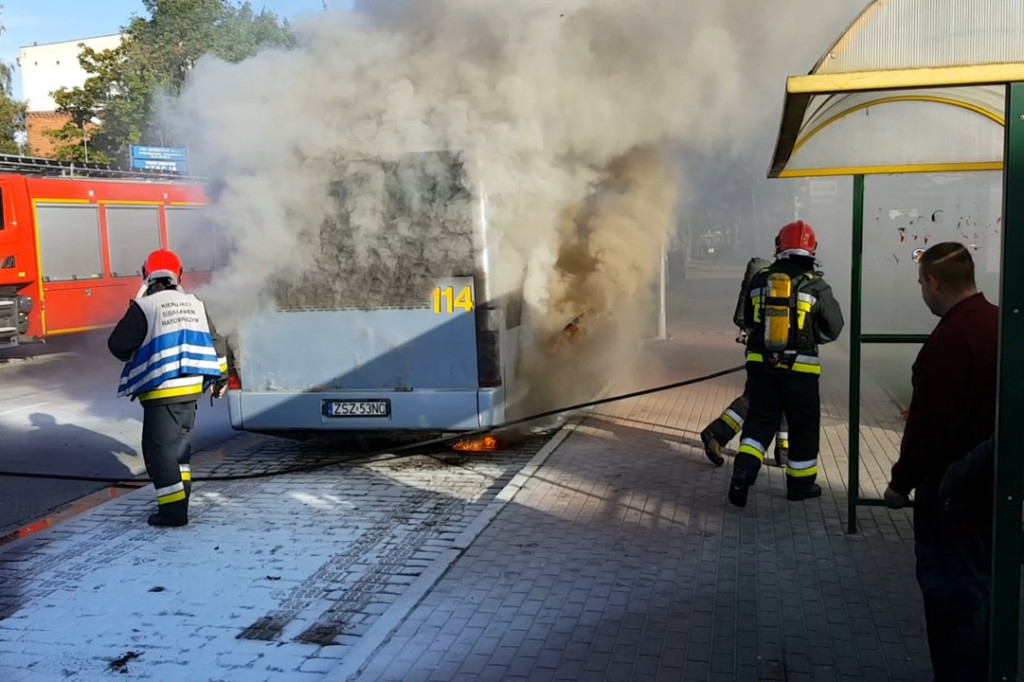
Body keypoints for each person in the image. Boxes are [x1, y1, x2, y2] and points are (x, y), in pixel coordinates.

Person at [882, 242, 998, 681]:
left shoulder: (948, 341)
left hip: (950, 501)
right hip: (994, 493)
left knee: (952, 614)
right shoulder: (999, 323)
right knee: (983, 601)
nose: (922, 293)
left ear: (933, 283)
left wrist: (900, 484)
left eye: (920, 283)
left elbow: (928, 428)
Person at [108, 249, 229, 528]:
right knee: (179, 451)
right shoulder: (194, 303)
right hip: (191, 391)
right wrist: (220, 380)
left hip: (161, 392)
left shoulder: (145, 307)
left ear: (146, 273)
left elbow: (117, 346)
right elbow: (217, 342)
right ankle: (181, 498)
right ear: (179, 274)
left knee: (159, 451)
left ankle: (173, 512)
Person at [728, 220, 844, 507]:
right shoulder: (816, 285)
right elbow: (834, 328)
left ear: (778, 247)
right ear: (812, 250)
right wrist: (809, 338)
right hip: (801, 372)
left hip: (761, 367)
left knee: (759, 421)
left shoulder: (760, 280)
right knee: (803, 427)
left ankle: (742, 474)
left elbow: (749, 320)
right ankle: (799, 486)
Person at [701, 256, 788, 468]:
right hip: (780, 353)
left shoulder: (759, 281)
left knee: (770, 395)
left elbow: (744, 317)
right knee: (773, 395)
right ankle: (717, 433)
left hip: (756, 350)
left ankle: (783, 450)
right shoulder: (789, 281)